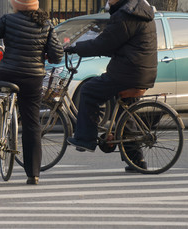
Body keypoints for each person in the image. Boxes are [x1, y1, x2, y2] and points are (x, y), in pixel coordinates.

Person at [65, 0, 157, 171]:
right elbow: (118, 43)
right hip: (142, 71)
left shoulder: (126, 15)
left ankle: (86, 139)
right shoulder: (139, 11)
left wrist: (76, 48)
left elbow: (104, 43)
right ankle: (136, 161)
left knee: (89, 90)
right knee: (126, 114)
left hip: (128, 71)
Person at [0, 0, 64, 184]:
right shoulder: (46, 24)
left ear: (15, 5)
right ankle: (33, 174)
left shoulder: (8, 20)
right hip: (32, 78)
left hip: (8, 73)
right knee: (31, 123)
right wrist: (45, 53)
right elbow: (57, 54)